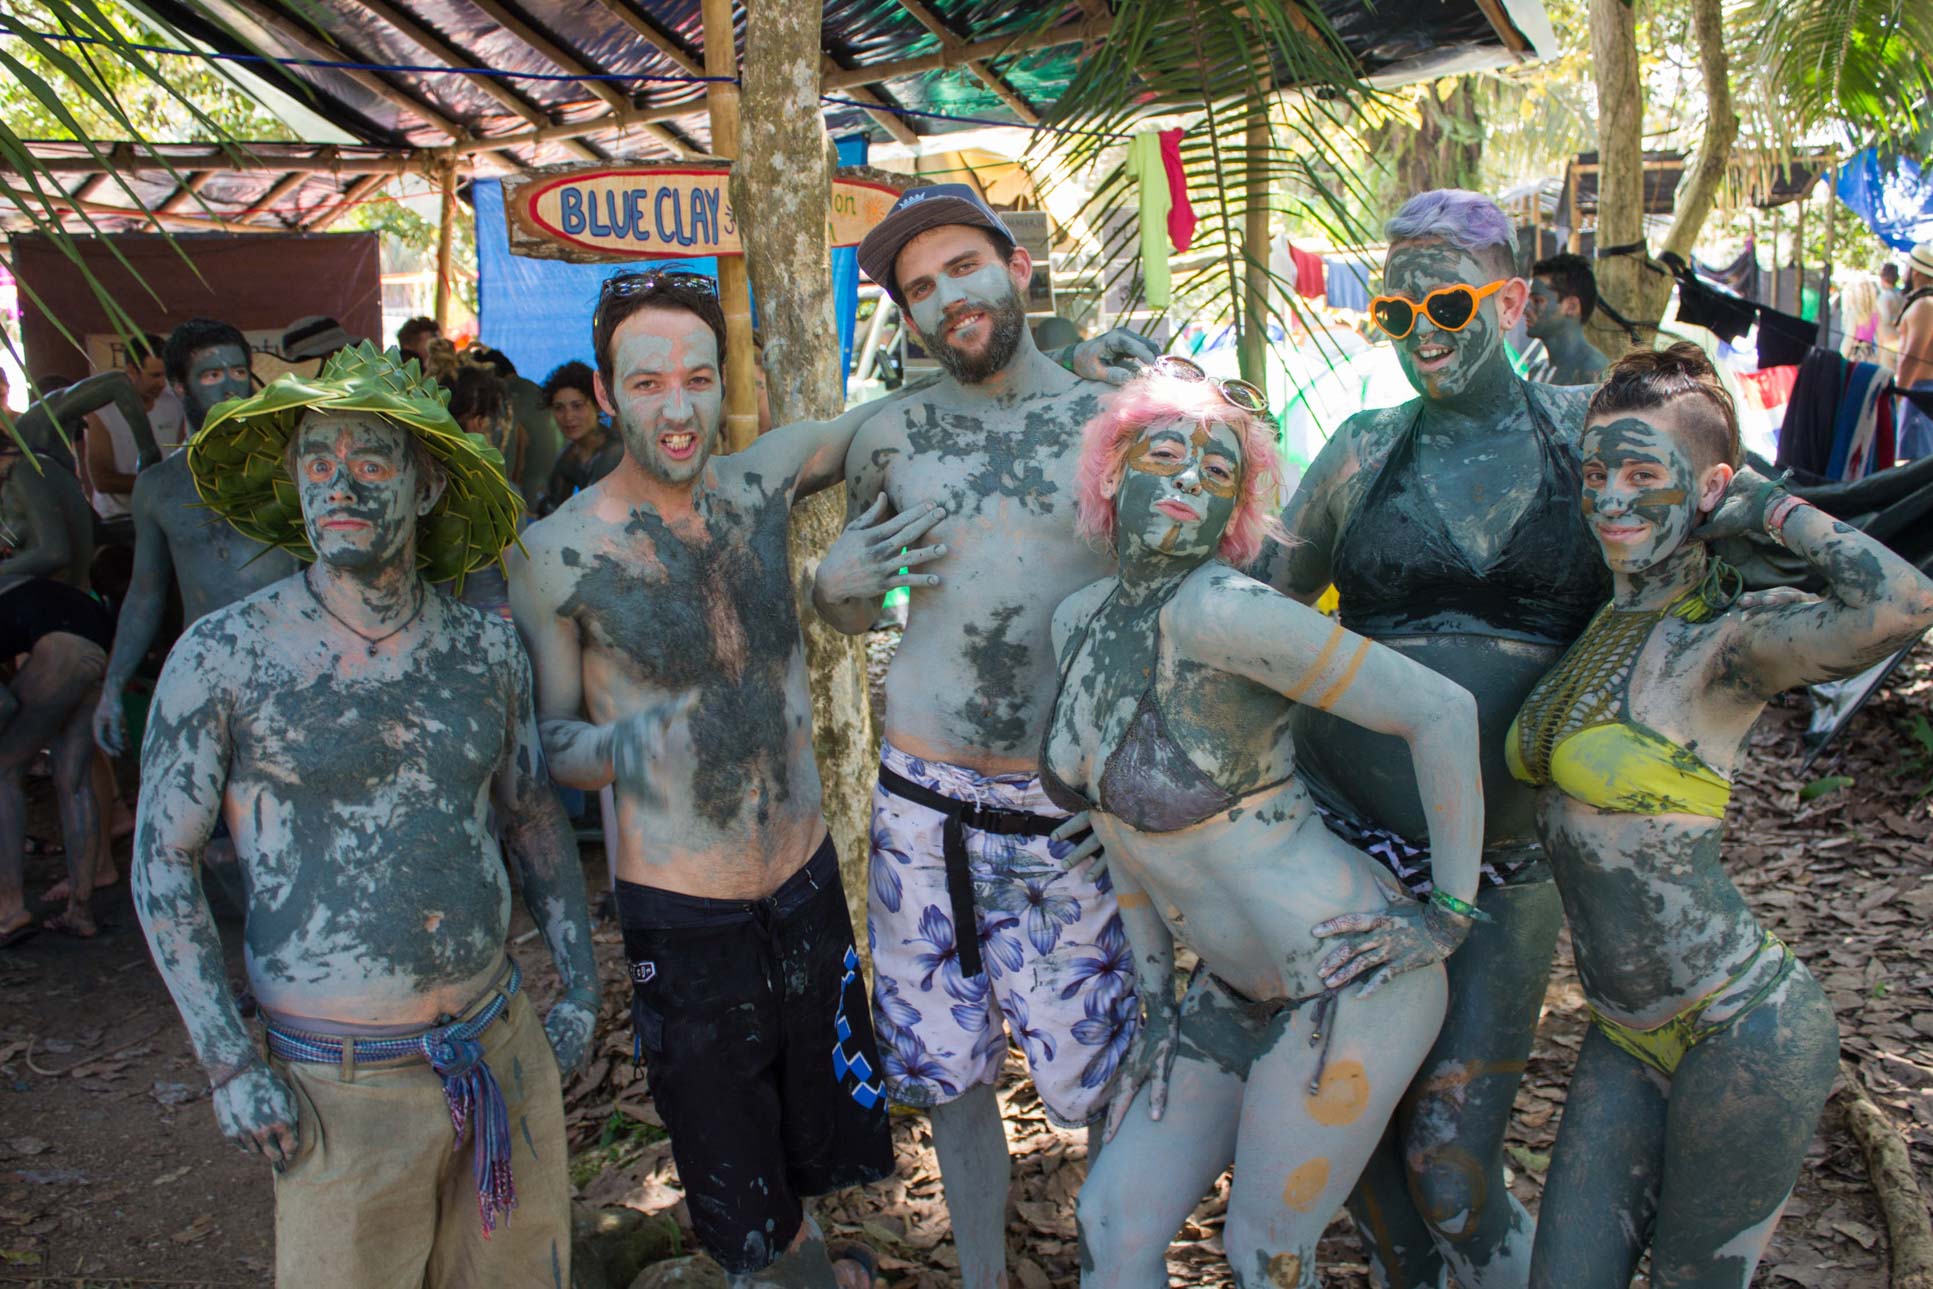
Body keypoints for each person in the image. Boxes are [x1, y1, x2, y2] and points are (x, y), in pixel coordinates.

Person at [132, 341, 593, 1287]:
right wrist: (227, 1062)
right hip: (334, 1091)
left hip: (498, 1050)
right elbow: (161, 863)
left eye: (370, 460)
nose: (337, 484)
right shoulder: (224, 655)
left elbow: (533, 818)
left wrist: (580, 988)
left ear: (426, 486)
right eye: (316, 461)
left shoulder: (484, 649)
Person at [1047, 363, 1485, 1287]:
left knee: (1264, 1256)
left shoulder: (1222, 610)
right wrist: (1157, 998)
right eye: (1161, 456)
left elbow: (1440, 712)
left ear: (1236, 515)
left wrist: (1447, 911)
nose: (1185, 486)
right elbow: (1124, 836)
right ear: (1108, 473)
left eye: (1217, 477)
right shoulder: (1076, 621)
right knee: (1111, 1222)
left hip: (1347, 980)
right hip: (1225, 992)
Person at [1511, 343, 1933, 1287]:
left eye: (1640, 473)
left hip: (1741, 1024)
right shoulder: (1602, 615)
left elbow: (1904, 602)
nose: (1609, 496)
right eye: (1593, 473)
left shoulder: (1729, 639)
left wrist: (1771, 508)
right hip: (1622, 1028)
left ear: (1706, 487)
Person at [507, 271, 898, 1289]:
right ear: (605, 389)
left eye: (695, 377)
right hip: (686, 919)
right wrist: (623, 746)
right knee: (736, 1193)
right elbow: (553, 740)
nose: (676, 407)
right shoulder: (554, 554)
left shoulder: (763, 480)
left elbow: (883, 421)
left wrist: (1070, 385)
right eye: (646, 383)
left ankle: (819, 1265)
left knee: (819, 1149)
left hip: (805, 885)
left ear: (724, 381)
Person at [813, 183, 1159, 1289]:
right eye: (918, 289)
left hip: (1077, 809)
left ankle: (1111, 1260)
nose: (944, 297)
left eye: (961, 266)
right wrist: (834, 589)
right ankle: (980, 1274)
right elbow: (857, 603)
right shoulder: (891, 433)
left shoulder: (1120, 423)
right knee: (948, 1068)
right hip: (923, 806)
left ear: (1015, 266)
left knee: (1106, 1061)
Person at [1261, 189, 1608, 1288]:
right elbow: (1259, 612)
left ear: (1508, 301)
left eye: (1447, 303)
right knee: (1355, 1138)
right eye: (1396, 317)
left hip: (1506, 864)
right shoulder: (1364, 450)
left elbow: (1709, 549)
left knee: (1452, 1166)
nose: (1423, 334)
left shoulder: (1592, 432)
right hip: (1345, 845)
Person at [92, 319, 296, 758]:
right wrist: (111, 687)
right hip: (205, 669)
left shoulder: (291, 466)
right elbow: (145, 595)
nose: (229, 388)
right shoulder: (159, 486)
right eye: (211, 375)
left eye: (239, 372)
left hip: (290, 666)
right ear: (178, 386)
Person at [0, 577, 113, 943]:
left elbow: (5, 706)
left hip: (59, 649)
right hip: (97, 642)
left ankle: (9, 908)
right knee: (74, 781)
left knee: (4, 772)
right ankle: (80, 911)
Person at [82, 332, 184, 521]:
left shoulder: (176, 404)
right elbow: (101, 479)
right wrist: (159, 482)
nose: (162, 383)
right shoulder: (102, 411)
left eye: (165, 376)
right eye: (154, 375)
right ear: (131, 370)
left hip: (166, 516)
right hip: (117, 520)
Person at [537, 359, 621, 516]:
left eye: (577, 406)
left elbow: (594, 514)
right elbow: (549, 509)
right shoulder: (570, 455)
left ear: (597, 405)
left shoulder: (615, 452)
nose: (568, 417)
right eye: (559, 408)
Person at [1524, 252, 1611, 387]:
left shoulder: (1595, 375)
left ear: (1571, 306)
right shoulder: (1537, 371)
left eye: (1537, 301)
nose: (1526, 310)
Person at [1895, 241, 1933, 459]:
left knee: (1913, 464)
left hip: (1919, 393)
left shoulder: (1925, 305)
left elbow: (1912, 356)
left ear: (1916, 272)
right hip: (1921, 392)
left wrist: (1897, 396)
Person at [1838, 274, 1882, 365]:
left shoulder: (1853, 314)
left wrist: (1839, 359)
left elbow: (1848, 339)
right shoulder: (1875, 314)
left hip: (1854, 355)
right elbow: (1880, 340)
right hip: (1870, 354)